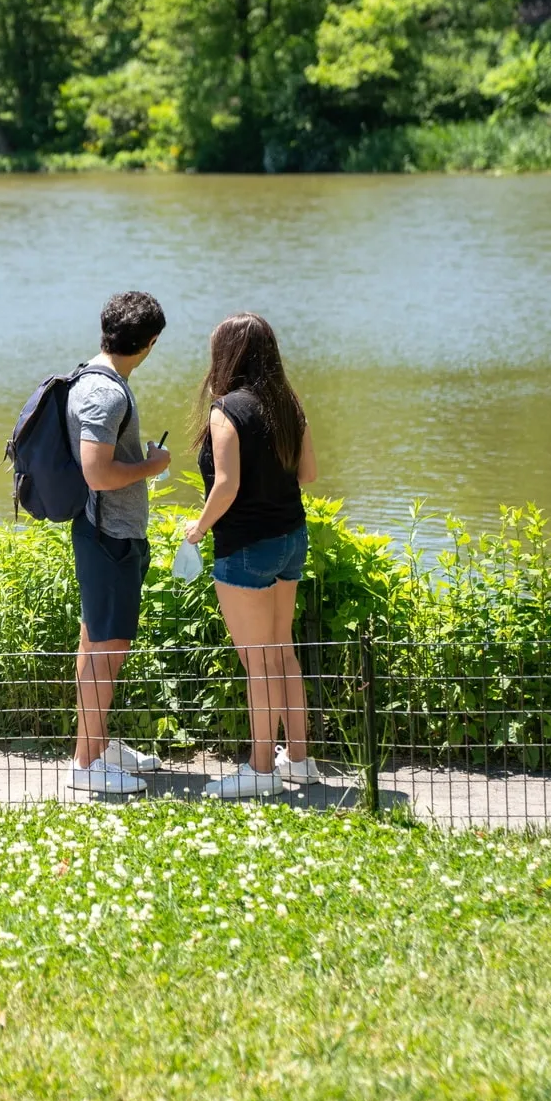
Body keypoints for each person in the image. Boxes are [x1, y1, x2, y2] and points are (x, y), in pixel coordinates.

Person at [184, 313, 320, 799]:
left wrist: (198, 529)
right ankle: (299, 761)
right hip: (291, 538)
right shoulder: (288, 403)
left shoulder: (227, 410)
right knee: (282, 652)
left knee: (258, 663)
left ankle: (261, 770)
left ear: (227, 356)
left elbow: (226, 485)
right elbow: (308, 473)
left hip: (245, 548)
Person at [66, 291, 173, 795]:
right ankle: (86, 765)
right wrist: (153, 465)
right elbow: (97, 472)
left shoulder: (88, 377)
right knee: (107, 648)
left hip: (103, 532)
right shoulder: (106, 393)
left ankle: (96, 745)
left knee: (95, 641)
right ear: (150, 343)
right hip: (109, 535)